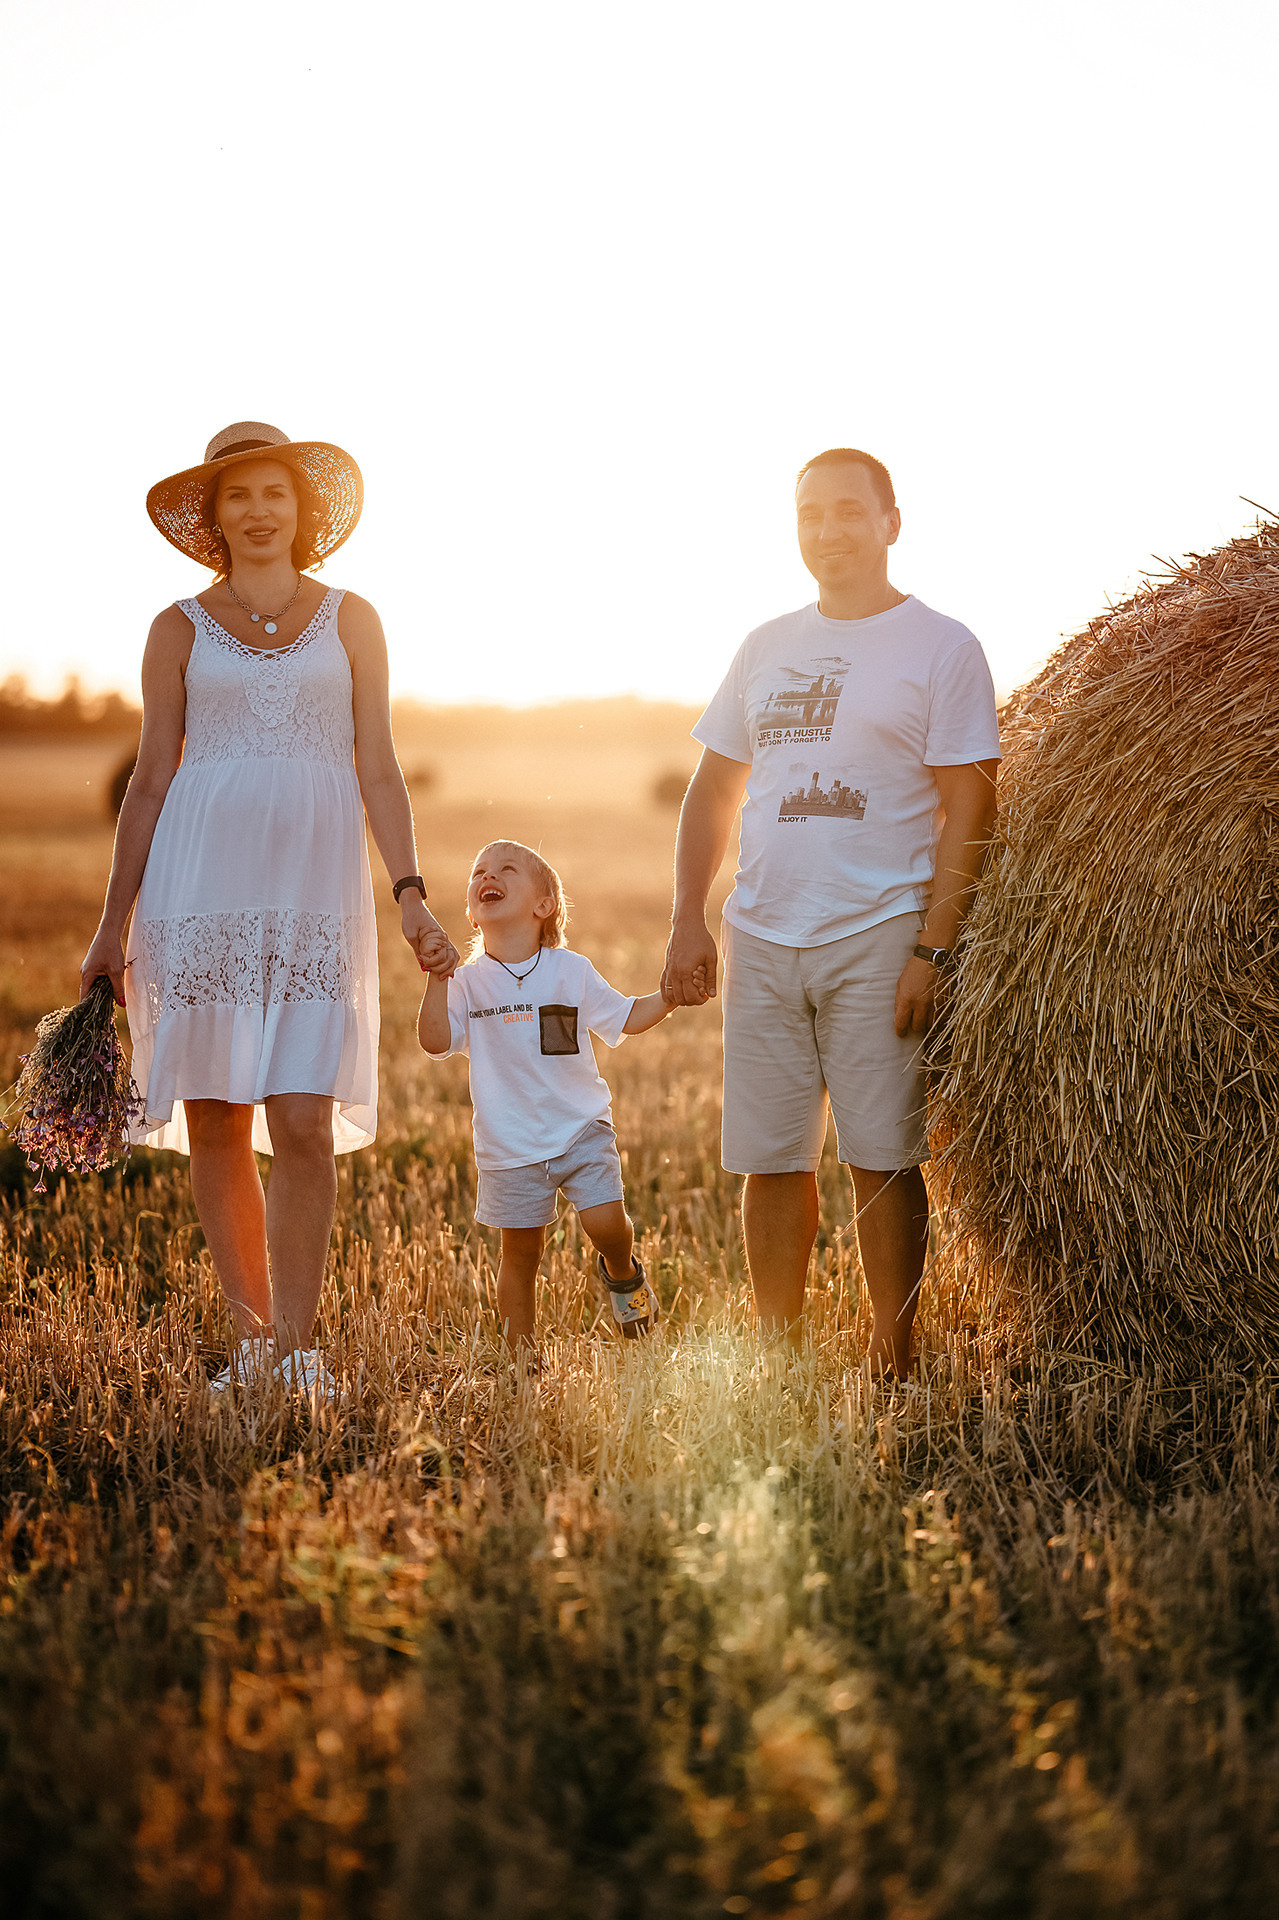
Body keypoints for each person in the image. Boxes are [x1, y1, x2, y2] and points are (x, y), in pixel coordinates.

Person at [79, 421, 458, 1399]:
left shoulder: (353, 618)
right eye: (236, 497)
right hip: (197, 893)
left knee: (298, 1118)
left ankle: (300, 1350)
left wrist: (409, 891)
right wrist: (110, 927)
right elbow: (151, 782)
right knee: (217, 1119)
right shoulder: (176, 627)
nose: (256, 511)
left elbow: (378, 766)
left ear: (302, 510)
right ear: (213, 518)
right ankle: (251, 1348)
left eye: (273, 494)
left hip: (311, 900)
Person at [662, 448, 1000, 1377]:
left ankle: (892, 1359)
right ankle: (779, 1356)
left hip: (880, 929)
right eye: (811, 514)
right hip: (763, 933)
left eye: (850, 512)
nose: (828, 531)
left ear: (892, 521)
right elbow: (711, 789)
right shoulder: (766, 645)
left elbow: (971, 803)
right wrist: (690, 919)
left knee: (881, 1156)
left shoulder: (942, 647)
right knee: (769, 1160)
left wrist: (931, 949)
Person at [418, 839, 680, 1350]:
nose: (487, 875)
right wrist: (436, 977)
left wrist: (668, 997)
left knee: (606, 1223)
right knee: (520, 1255)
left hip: (580, 1127)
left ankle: (622, 1269)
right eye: (478, 872)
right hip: (509, 1146)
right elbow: (434, 1042)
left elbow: (625, 1017)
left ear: (544, 906)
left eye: (507, 868)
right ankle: (522, 1355)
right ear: (472, 913)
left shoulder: (570, 971)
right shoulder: (467, 984)